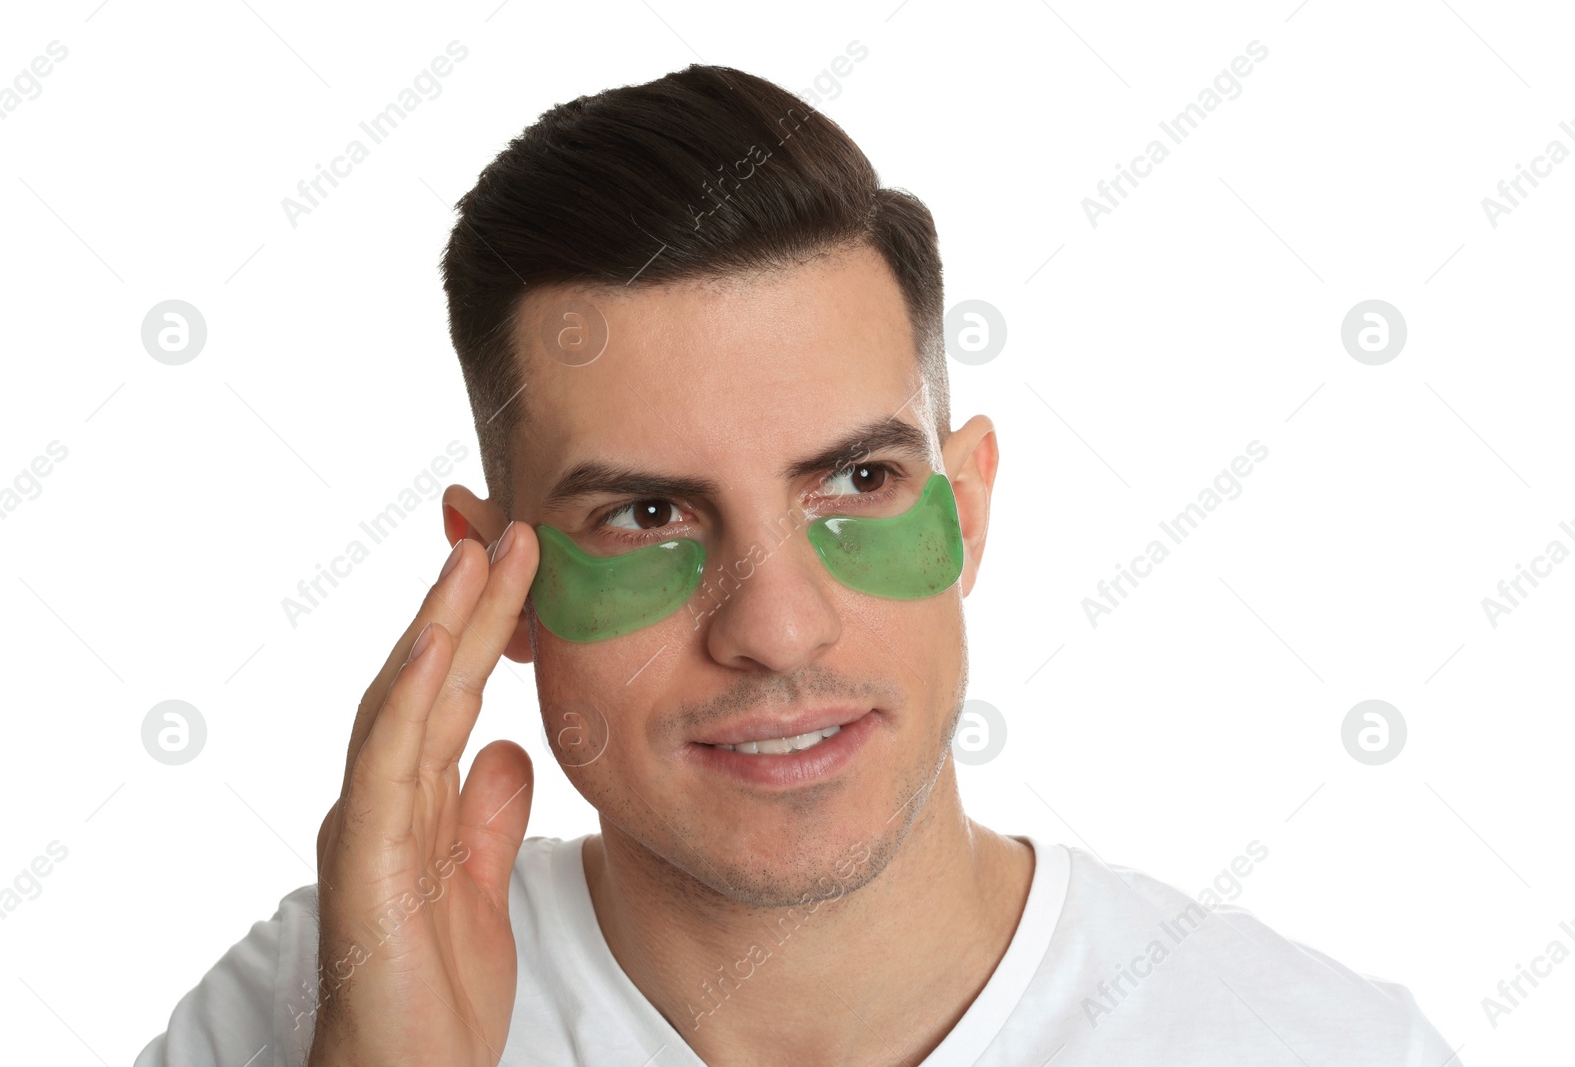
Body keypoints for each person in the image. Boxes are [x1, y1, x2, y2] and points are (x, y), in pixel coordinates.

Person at [135, 64, 1459, 1066]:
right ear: (498, 583)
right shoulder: (315, 998)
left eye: (859, 482)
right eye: (649, 516)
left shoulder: (1320, 1046)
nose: (774, 627)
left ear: (971, 507)